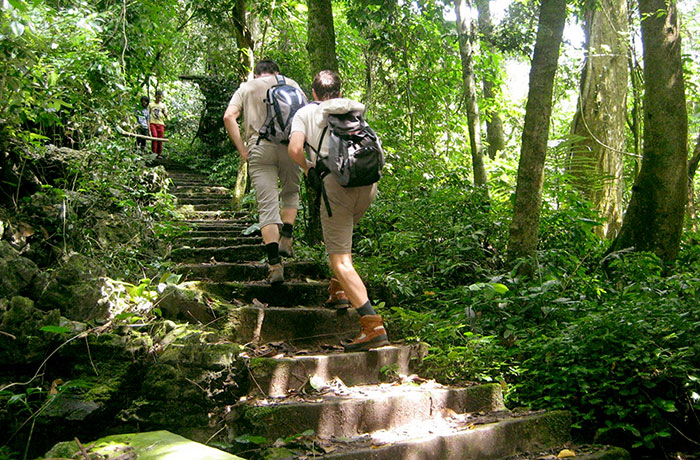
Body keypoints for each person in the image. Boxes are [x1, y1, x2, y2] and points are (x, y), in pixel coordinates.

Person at [288, 70, 390, 352]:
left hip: (337, 186)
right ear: (339, 91)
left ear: (315, 93)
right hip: (367, 185)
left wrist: (308, 167)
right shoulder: (352, 110)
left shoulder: (306, 113)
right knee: (342, 241)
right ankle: (339, 291)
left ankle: (373, 326)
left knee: (340, 260)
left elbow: (295, 148)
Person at [223, 59, 303, 284]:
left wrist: (243, 150)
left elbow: (229, 116)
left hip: (259, 147)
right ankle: (286, 236)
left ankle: (274, 265)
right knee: (290, 192)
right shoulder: (292, 84)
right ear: (276, 72)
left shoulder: (247, 87)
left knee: (267, 207)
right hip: (290, 146)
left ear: (256, 74)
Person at [149, 90, 168, 158]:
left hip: (161, 123)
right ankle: (154, 153)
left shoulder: (163, 105)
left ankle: (159, 154)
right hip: (153, 122)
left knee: (160, 138)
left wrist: (165, 113)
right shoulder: (151, 104)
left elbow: (166, 113)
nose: (159, 99)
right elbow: (147, 114)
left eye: (160, 97)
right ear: (155, 96)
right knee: (154, 136)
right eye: (158, 97)